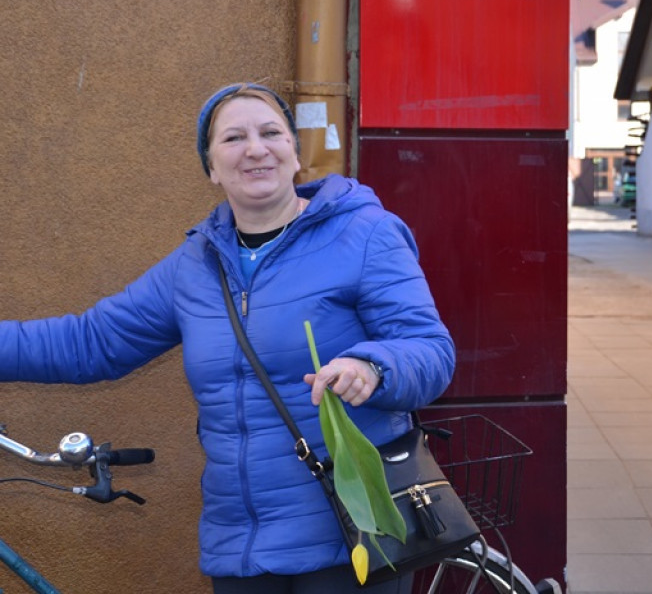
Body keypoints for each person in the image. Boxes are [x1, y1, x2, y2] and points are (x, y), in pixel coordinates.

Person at [0, 83, 455, 593]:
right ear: (212, 168)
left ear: (294, 153)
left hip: (353, 535)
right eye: (234, 138)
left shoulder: (364, 234)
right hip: (241, 547)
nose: (256, 148)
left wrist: (373, 367)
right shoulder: (195, 266)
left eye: (270, 133)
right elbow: (91, 342)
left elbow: (430, 350)